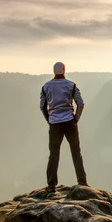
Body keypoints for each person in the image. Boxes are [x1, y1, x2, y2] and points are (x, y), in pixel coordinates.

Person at [40, 62, 89, 193]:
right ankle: (82, 181)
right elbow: (80, 103)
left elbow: (42, 106)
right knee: (76, 151)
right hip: (69, 122)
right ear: (64, 70)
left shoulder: (46, 87)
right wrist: (76, 119)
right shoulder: (71, 85)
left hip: (54, 123)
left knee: (54, 154)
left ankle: (51, 185)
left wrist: (49, 119)